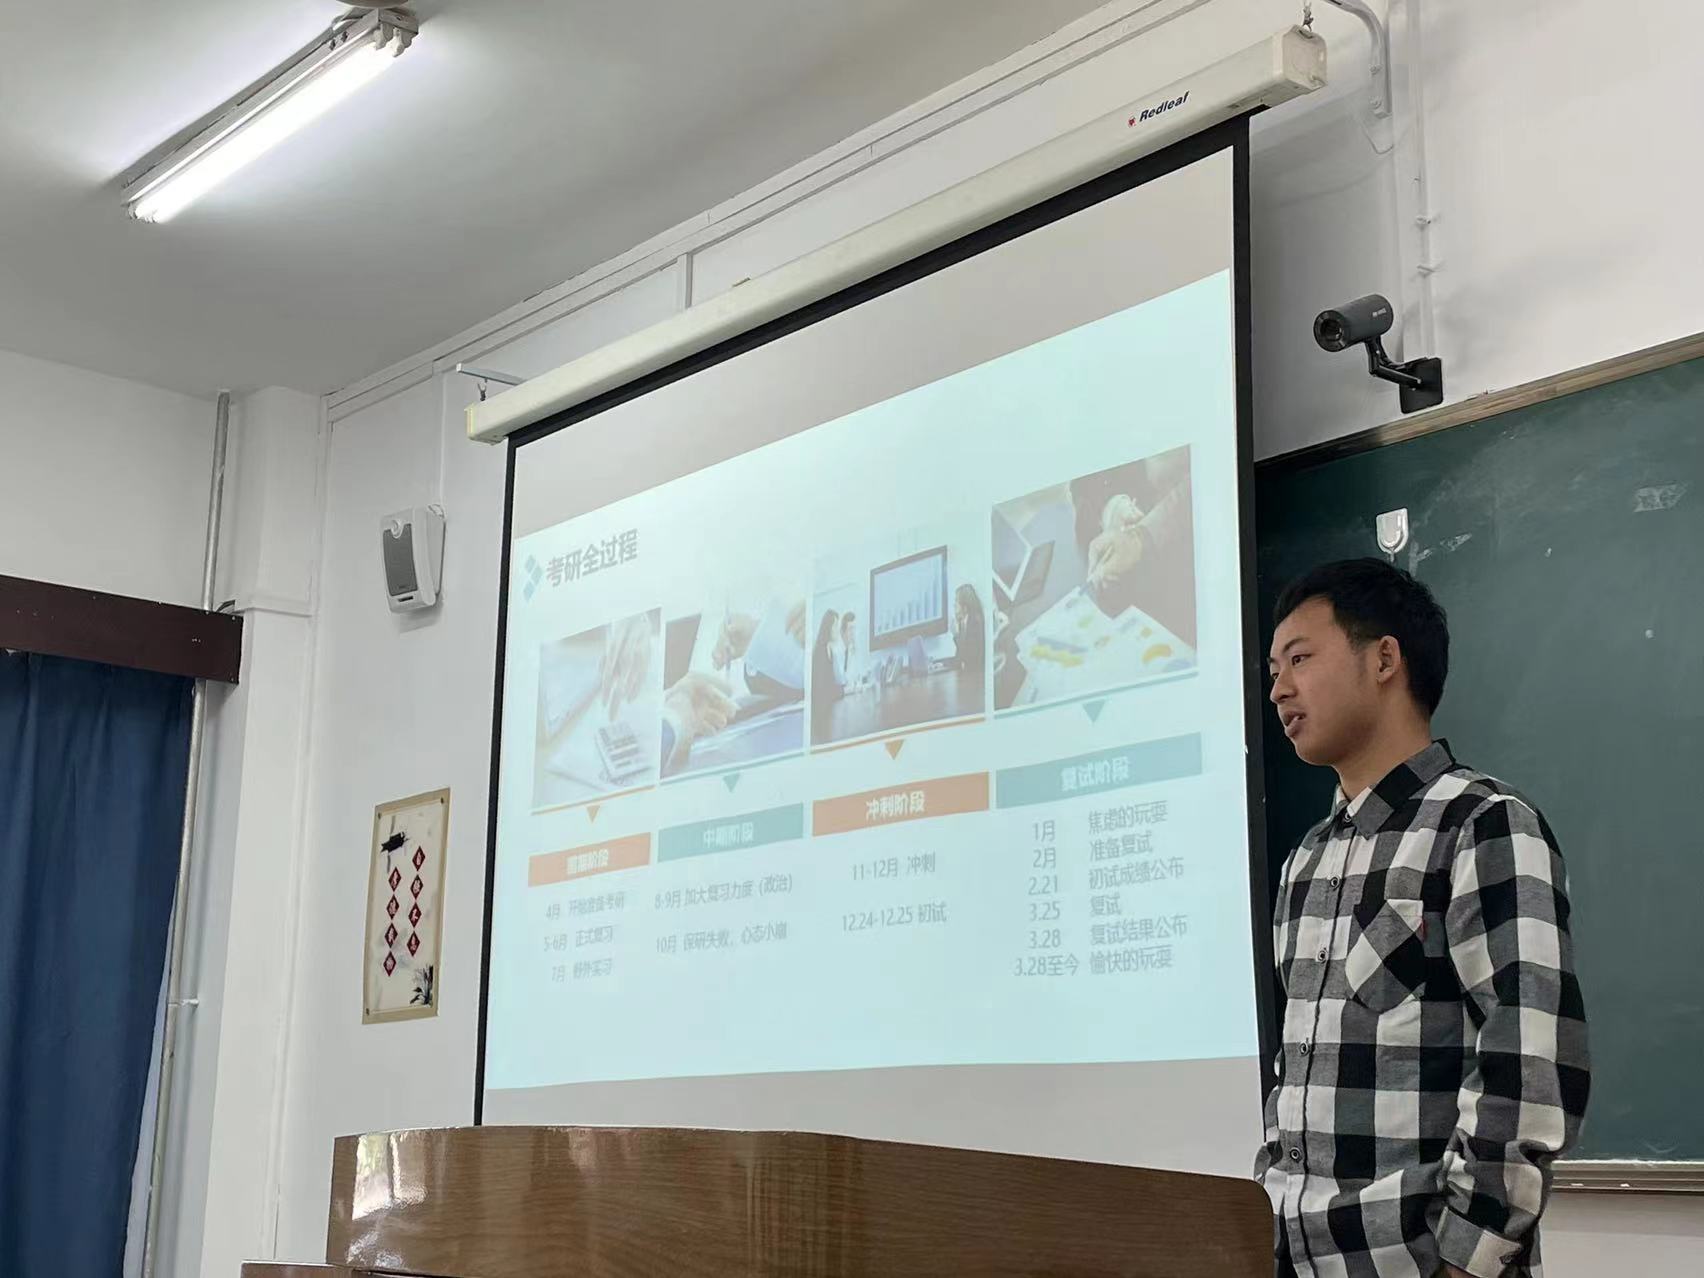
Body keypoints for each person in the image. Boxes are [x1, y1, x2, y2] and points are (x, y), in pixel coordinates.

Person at [1257, 559, 1588, 1278]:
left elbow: (1529, 1064)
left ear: (1384, 659)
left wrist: (1468, 1261)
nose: (1278, 688)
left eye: (1300, 659)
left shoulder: (1483, 824)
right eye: (1273, 670)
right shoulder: (1305, 860)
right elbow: (1298, 1075)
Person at [1070, 447, 1196, 645]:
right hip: (1135, 579)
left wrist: (1140, 537)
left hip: (1191, 574)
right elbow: (1083, 475)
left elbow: (1206, 485)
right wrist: (1113, 505)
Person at [810, 609, 843, 742]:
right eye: (835, 626)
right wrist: (841, 691)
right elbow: (822, 691)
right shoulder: (820, 652)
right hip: (821, 719)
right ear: (827, 628)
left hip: (827, 714)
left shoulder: (829, 650)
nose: (837, 630)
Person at [949, 584, 985, 676]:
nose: (954, 605)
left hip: (977, 675)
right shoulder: (963, 622)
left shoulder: (976, 622)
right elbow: (959, 658)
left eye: (956, 601)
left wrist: (956, 635)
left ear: (965, 607)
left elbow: (970, 657)